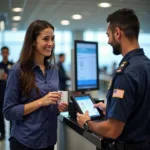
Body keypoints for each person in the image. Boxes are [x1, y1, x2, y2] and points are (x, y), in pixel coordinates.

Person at [77, 8, 150, 150]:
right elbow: (140, 107)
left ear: (117, 33)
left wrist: (87, 123)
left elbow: (112, 130)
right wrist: (111, 108)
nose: (109, 41)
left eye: (108, 35)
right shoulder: (146, 64)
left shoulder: (126, 73)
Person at [3, 20, 68, 150]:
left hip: (48, 141)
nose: (51, 43)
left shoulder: (53, 70)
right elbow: (8, 112)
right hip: (25, 142)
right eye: (46, 39)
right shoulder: (18, 70)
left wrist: (57, 107)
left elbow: (48, 106)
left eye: (53, 39)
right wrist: (41, 102)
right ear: (33, 41)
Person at [0, 46, 13, 141]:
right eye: (3, 52)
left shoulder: (13, 66)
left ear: (8, 53)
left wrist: (8, 77)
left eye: (6, 52)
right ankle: (3, 133)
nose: (5, 54)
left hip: (11, 94)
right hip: (1, 92)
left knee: (12, 113)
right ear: (1, 54)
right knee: (0, 115)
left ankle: (12, 133)